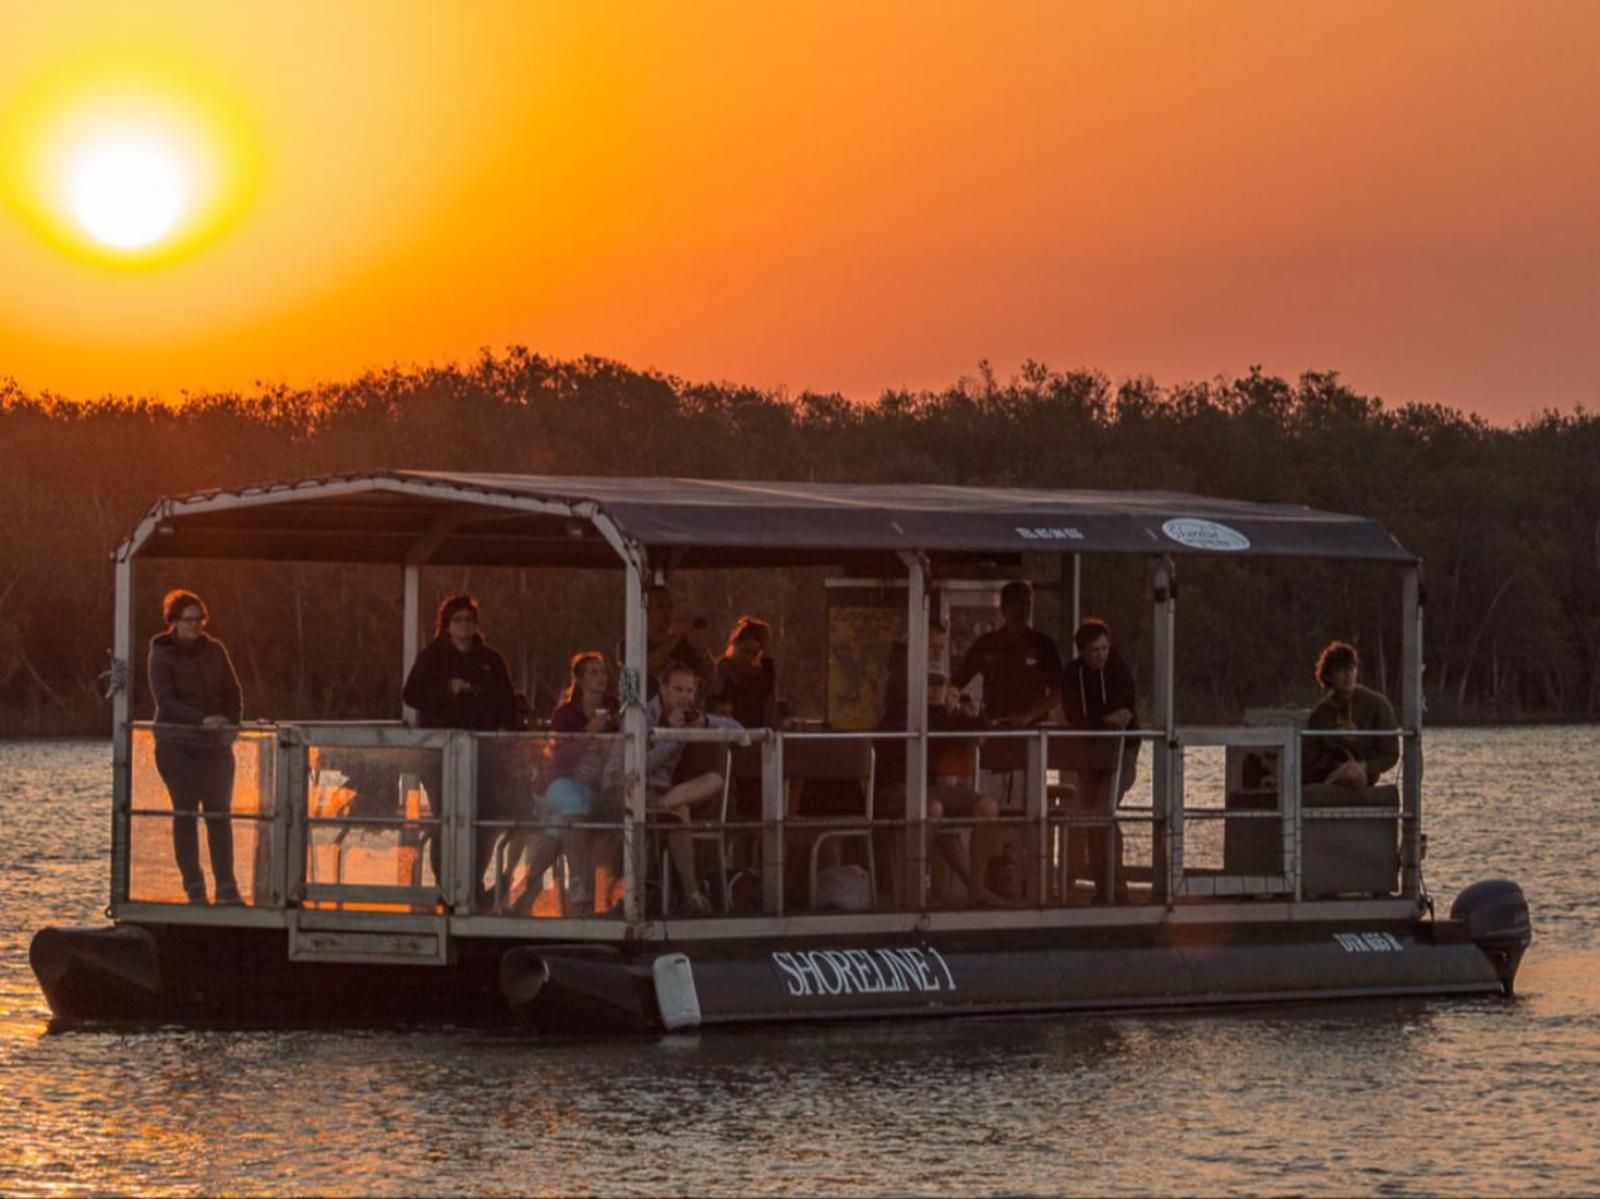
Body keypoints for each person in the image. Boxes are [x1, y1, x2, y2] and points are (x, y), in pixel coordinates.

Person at [877, 619, 1007, 907]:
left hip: (930, 785)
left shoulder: (941, 702)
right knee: (932, 809)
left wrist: (973, 715)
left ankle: (977, 888)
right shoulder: (899, 686)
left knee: (986, 806)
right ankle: (914, 889)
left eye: (939, 648)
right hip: (896, 785)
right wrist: (938, 710)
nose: (935, 653)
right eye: (930, 647)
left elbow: (980, 734)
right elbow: (900, 726)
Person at [401, 593, 519, 902]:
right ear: (446, 625)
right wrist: (446, 690)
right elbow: (411, 694)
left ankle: (473, 883)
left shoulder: (491, 661)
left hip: (484, 753)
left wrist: (506, 730)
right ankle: (446, 887)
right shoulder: (432, 657)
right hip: (440, 755)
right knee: (446, 818)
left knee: (482, 818)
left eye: (469, 619)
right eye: (458, 620)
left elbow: (507, 701)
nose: (465, 626)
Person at [602, 660, 737, 916]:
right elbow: (638, 767)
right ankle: (692, 895)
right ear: (663, 689)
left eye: (689, 691)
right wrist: (673, 735)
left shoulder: (690, 715)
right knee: (679, 812)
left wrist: (704, 721)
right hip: (624, 787)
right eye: (678, 690)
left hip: (660, 793)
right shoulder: (639, 716)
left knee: (699, 791)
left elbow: (737, 728)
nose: (684, 697)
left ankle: (691, 896)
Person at [148, 589, 244, 905]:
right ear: (173, 622)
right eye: (189, 620)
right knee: (186, 812)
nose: (196, 626)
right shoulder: (161, 652)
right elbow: (166, 701)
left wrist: (231, 724)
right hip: (177, 745)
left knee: (219, 814)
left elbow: (233, 690)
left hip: (215, 746)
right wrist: (202, 719)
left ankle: (227, 888)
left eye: (200, 619)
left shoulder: (215, 650)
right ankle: (195, 887)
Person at [951, 580, 1063, 836]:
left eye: (1026, 604)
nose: (1022, 610)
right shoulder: (987, 644)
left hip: (1031, 738)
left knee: (1030, 811)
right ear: (1003, 608)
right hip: (994, 734)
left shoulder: (1043, 645)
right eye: (1016, 604)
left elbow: (1060, 691)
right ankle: (993, 861)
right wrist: (964, 706)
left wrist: (1029, 716)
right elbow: (957, 682)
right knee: (991, 807)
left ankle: (1028, 865)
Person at [508, 651, 615, 915]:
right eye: (593, 672)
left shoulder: (615, 709)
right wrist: (587, 733)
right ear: (579, 679)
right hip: (557, 783)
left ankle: (522, 892)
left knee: (558, 828)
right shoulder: (565, 714)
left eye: (602, 672)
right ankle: (578, 882)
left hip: (592, 786)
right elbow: (557, 758)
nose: (600, 677)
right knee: (573, 807)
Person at [1059, 618, 1139, 903]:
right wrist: (1101, 720)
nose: (1101, 655)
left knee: (1104, 811)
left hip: (1122, 750)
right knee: (1094, 815)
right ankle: (1103, 887)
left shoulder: (1119, 670)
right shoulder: (1073, 674)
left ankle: (1117, 888)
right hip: (1090, 753)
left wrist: (1101, 720)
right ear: (1082, 651)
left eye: (1105, 648)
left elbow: (1125, 714)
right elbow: (1073, 714)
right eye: (1095, 650)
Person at [1303, 641, 1399, 788]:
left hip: (1363, 775)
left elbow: (1390, 753)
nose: (1347, 675)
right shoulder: (1321, 713)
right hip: (1328, 773)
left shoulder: (1377, 705)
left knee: (1353, 773)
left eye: (1351, 669)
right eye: (1340, 670)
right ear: (1328, 676)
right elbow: (1309, 757)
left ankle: (1334, 782)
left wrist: (1365, 766)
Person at [709, 615, 777, 729]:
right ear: (736, 644)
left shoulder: (756, 673)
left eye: (755, 653)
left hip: (754, 731)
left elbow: (767, 685)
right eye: (746, 651)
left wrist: (766, 656)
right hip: (732, 730)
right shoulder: (725, 668)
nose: (748, 658)